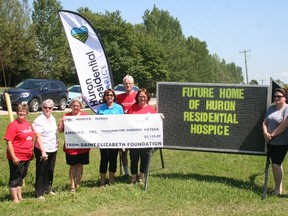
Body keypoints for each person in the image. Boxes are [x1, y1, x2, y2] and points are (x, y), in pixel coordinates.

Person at [58, 98, 90, 193]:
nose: (76, 107)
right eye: (74, 105)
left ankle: (78, 184)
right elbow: (60, 130)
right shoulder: (66, 116)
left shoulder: (85, 116)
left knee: (80, 165)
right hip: (71, 146)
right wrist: (61, 121)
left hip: (82, 146)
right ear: (70, 106)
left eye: (77, 105)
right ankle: (72, 186)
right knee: (72, 166)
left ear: (80, 106)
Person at [4, 104, 34, 203]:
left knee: (21, 177)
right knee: (15, 177)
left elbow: (30, 138)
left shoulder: (27, 124)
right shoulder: (13, 125)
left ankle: (20, 196)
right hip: (17, 156)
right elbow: (9, 142)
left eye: (24, 111)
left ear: (27, 113)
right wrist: (13, 157)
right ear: (17, 112)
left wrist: (31, 151)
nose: (22, 113)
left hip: (27, 155)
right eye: (20, 111)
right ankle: (14, 198)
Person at [127, 88, 156, 184]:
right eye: (140, 96)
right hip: (134, 139)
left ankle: (141, 177)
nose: (142, 98)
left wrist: (160, 118)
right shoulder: (132, 108)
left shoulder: (151, 109)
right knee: (134, 158)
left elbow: (155, 122)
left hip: (146, 139)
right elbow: (126, 122)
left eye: (144, 96)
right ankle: (133, 177)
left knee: (145, 158)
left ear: (147, 97)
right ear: (137, 97)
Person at [263, 88, 288, 196]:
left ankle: (277, 190)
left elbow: (285, 124)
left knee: (276, 165)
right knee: (276, 165)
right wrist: (265, 133)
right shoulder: (271, 108)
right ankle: (279, 187)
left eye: (279, 96)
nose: (276, 98)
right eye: (275, 96)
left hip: (282, 141)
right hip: (271, 142)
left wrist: (272, 134)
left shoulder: (287, 108)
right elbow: (265, 122)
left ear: (285, 98)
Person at [97, 89, 124, 186]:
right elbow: (96, 123)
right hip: (103, 138)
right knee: (104, 158)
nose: (109, 96)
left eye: (111, 95)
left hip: (115, 138)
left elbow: (122, 123)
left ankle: (111, 179)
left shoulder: (119, 108)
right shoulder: (101, 108)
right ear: (104, 97)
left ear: (114, 96)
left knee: (113, 158)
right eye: (107, 95)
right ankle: (102, 181)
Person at [32, 99, 58, 200]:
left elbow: (54, 131)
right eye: (45, 107)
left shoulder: (53, 118)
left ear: (52, 108)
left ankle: (48, 188)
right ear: (42, 108)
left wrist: (56, 139)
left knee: (50, 169)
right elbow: (38, 137)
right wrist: (43, 151)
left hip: (52, 148)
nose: (47, 109)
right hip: (42, 148)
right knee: (41, 170)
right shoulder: (39, 120)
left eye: (50, 108)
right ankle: (39, 193)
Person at [116, 75, 137, 177]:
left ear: (133, 84)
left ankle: (136, 171)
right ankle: (126, 172)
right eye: (126, 83)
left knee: (135, 151)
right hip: (123, 128)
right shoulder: (119, 97)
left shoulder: (137, 95)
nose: (128, 85)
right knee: (124, 151)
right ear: (123, 85)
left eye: (129, 83)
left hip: (135, 127)